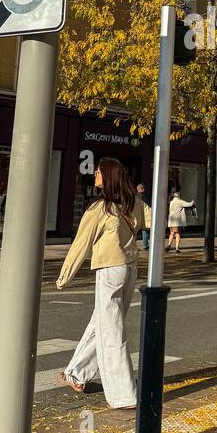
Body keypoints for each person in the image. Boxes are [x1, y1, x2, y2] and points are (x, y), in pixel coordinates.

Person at [56, 157, 145, 409]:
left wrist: (65, 276)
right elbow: (158, 217)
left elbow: (80, 245)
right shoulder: (134, 204)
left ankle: (124, 394)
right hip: (130, 270)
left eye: (98, 172)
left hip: (109, 271)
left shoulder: (100, 209)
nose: (94, 175)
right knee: (102, 323)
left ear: (108, 177)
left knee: (111, 330)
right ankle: (77, 373)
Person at [136, 183, 152, 251]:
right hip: (145, 216)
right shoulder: (145, 197)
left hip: (136, 215)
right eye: (143, 188)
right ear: (141, 189)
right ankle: (145, 245)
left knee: (135, 231)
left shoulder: (135, 196)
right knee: (144, 230)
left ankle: (135, 246)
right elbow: (148, 207)